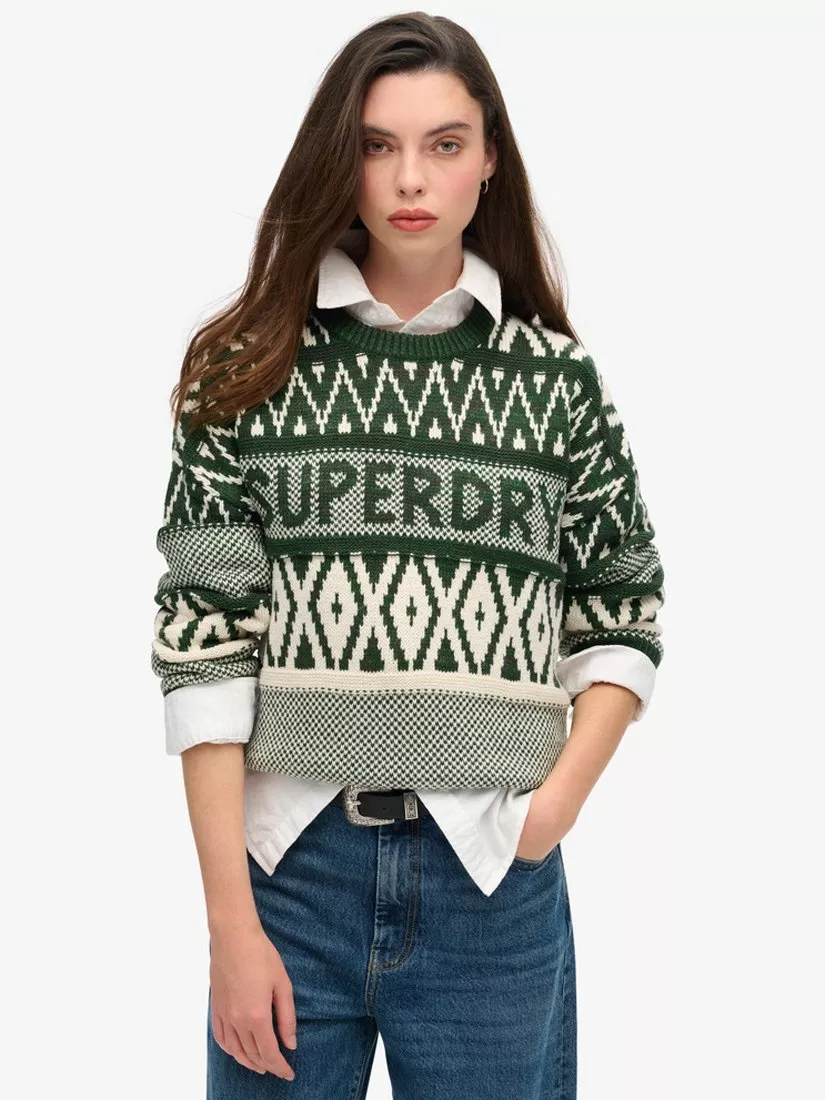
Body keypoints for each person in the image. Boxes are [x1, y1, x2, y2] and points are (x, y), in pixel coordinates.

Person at [150, 12, 665, 1098]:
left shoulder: (554, 382)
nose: (410, 178)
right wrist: (230, 926)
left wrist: (554, 808)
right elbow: (202, 646)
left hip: (493, 880)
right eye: (377, 145)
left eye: (444, 143)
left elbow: (623, 604)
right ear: (340, 161)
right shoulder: (246, 370)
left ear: (489, 160)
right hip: (289, 875)